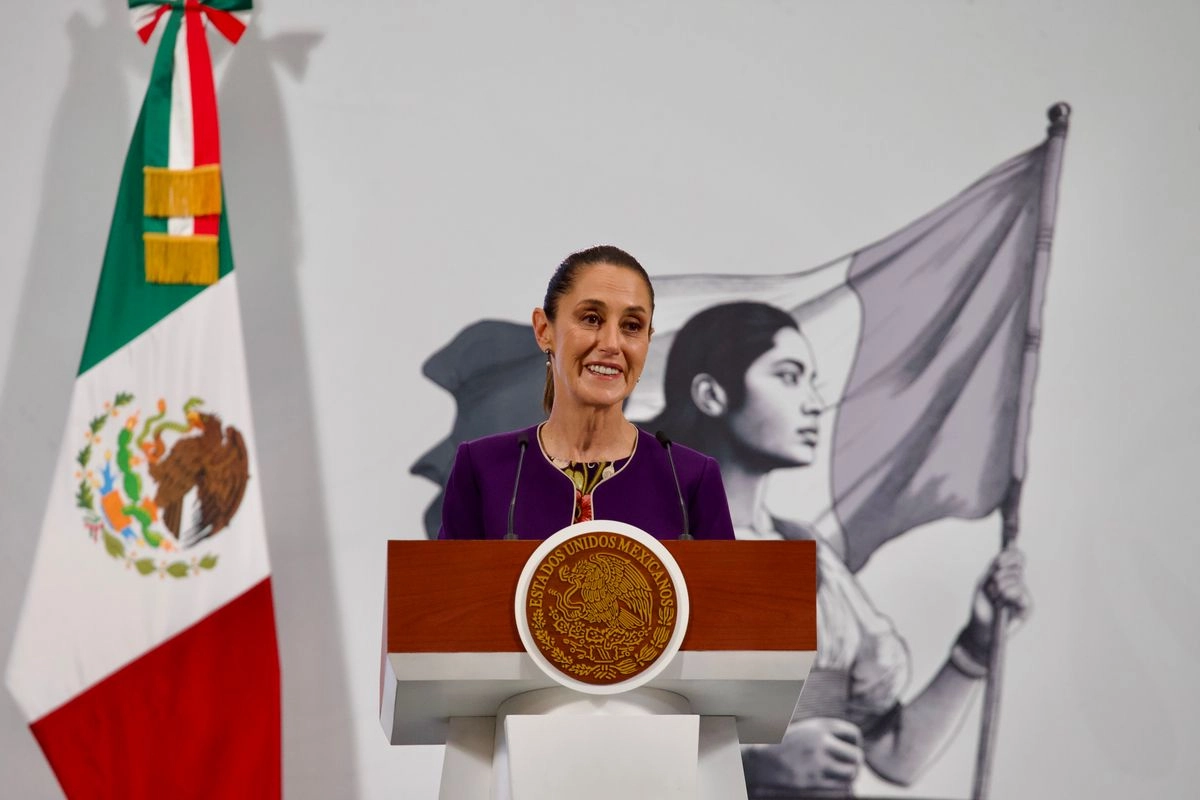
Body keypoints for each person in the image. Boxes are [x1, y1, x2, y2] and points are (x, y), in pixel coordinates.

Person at [646, 301, 1031, 796]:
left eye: (811, 381)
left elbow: (895, 756)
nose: (812, 402)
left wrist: (976, 643)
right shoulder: (645, 554)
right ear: (711, 394)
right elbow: (590, 749)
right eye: (788, 377)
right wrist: (752, 765)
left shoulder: (806, 551)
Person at [438, 246, 735, 541]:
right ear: (544, 330)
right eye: (591, 318)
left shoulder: (690, 478)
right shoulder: (482, 468)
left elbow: (727, 589)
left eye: (632, 326)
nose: (612, 344)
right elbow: (444, 587)